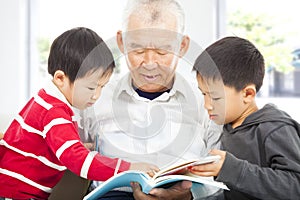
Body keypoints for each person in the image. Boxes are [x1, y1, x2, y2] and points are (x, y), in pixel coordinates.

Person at [79, 0, 223, 199]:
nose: (149, 63)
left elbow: (220, 176)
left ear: (182, 46)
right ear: (121, 43)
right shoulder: (94, 99)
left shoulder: (207, 103)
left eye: (162, 51)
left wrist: (189, 196)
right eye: (137, 49)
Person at [0, 27, 157, 200]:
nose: (96, 95)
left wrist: (76, 144)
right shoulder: (54, 111)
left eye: (101, 87)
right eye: (91, 87)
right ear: (60, 79)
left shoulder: (45, 101)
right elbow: (77, 160)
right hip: (16, 195)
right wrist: (129, 168)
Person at [190, 36, 300, 199]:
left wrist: (231, 169)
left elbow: (295, 187)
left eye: (215, 97)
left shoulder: (275, 129)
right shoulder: (227, 128)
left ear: (248, 94)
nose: (207, 105)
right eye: (203, 94)